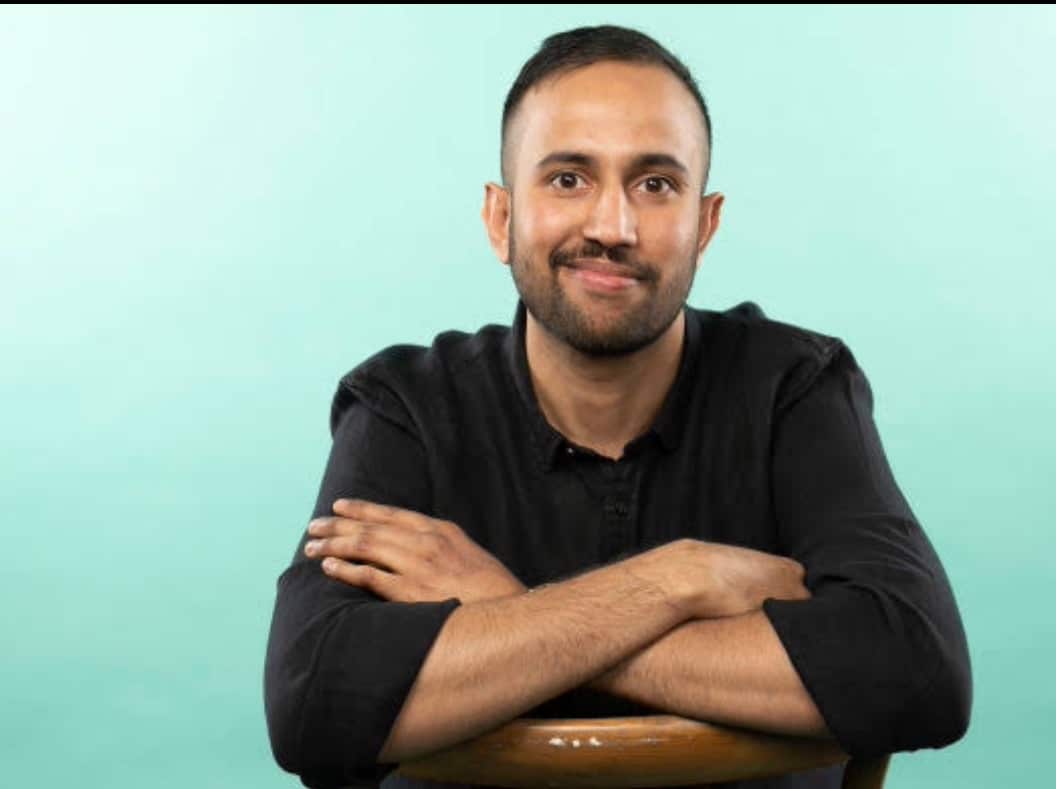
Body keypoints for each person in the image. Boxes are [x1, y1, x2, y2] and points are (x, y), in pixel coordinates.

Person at [264, 24, 972, 789]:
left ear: (705, 225)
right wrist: (678, 580)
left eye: (656, 184)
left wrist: (510, 613)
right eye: (568, 178)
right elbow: (314, 706)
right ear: (500, 218)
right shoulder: (406, 406)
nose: (611, 227)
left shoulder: (793, 386)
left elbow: (916, 671)